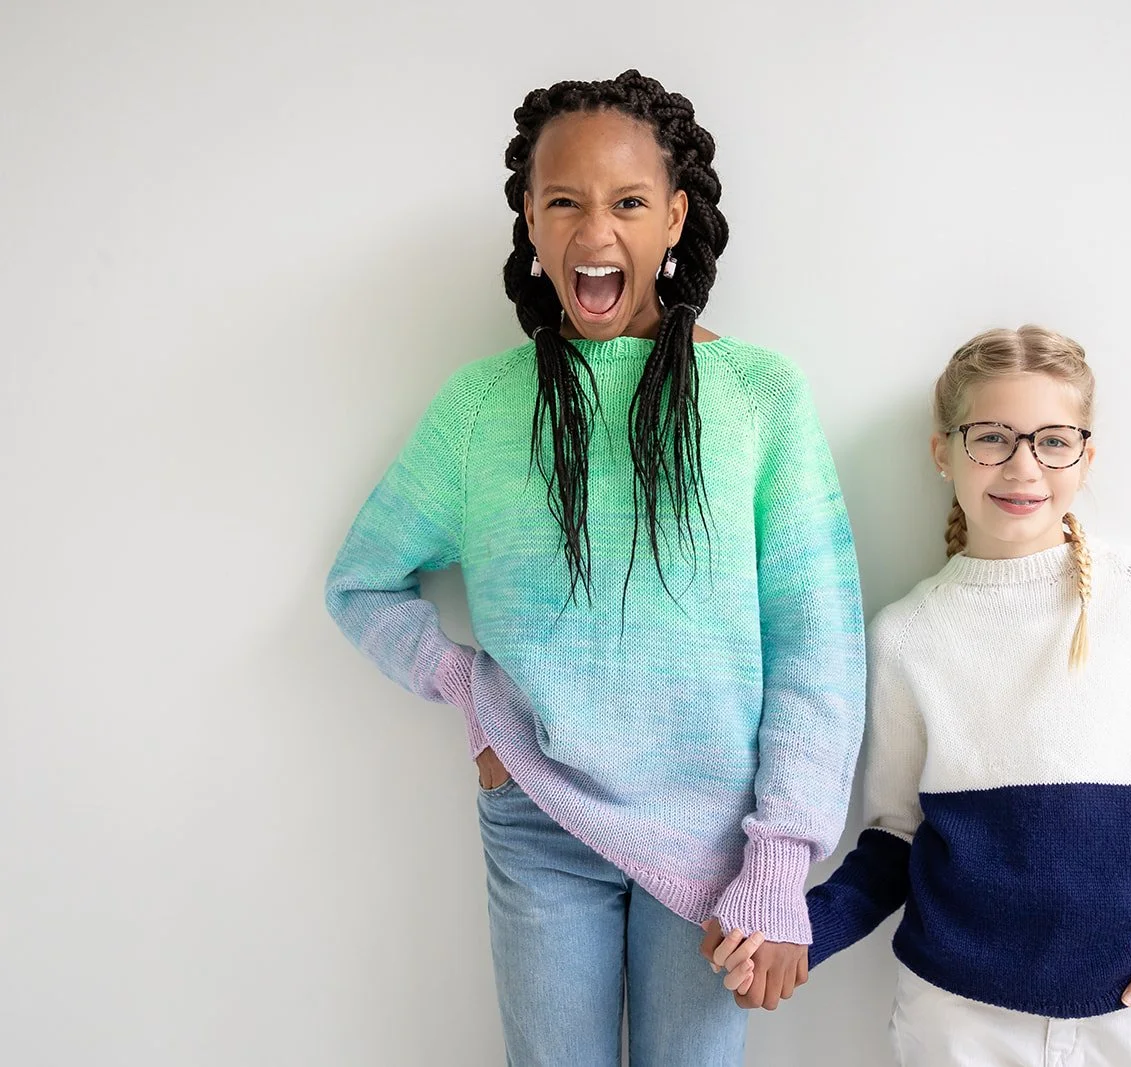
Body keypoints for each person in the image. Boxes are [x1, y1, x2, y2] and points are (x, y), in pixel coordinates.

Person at [326, 70, 864, 1066]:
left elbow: (817, 641)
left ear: (673, 218)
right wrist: (470, 692)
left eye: (625, 202)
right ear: (528, 219)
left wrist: (780, 858)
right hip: (541, 823)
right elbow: (360, 584)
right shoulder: (481, 406)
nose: (593, 231)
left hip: (717, 841)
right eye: (562, 201)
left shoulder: (757, 395)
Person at [709, 325, 1131, 1067]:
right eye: (992, 437)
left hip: (1126, 1015)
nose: (1022, 466)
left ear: (1086, 454)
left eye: (1053, 440)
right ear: (943, 450)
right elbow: (895, 839)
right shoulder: (907, 634)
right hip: (954, 1019)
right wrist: (798, 928)